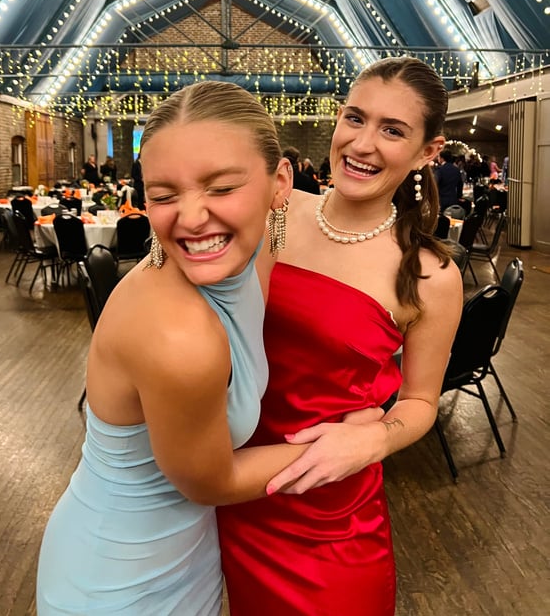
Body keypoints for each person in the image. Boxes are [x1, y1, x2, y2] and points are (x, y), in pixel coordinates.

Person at [36, 81, 307, 615]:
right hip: (116, 585)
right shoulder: (178, 334)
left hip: (187, 554)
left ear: (280, 183)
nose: (191, 217)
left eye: (221, 188)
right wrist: (355, 441)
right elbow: (214, 482)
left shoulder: (249, 253)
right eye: (163, 196)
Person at [217, 57, 463, 615]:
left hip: (325, 514)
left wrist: (374, 440)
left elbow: (421, 401)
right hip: (216, 484)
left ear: (428, 151)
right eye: (355, 118)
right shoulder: (275, 210)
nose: (362, 143)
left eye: (392, 130)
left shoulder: (429, 274)